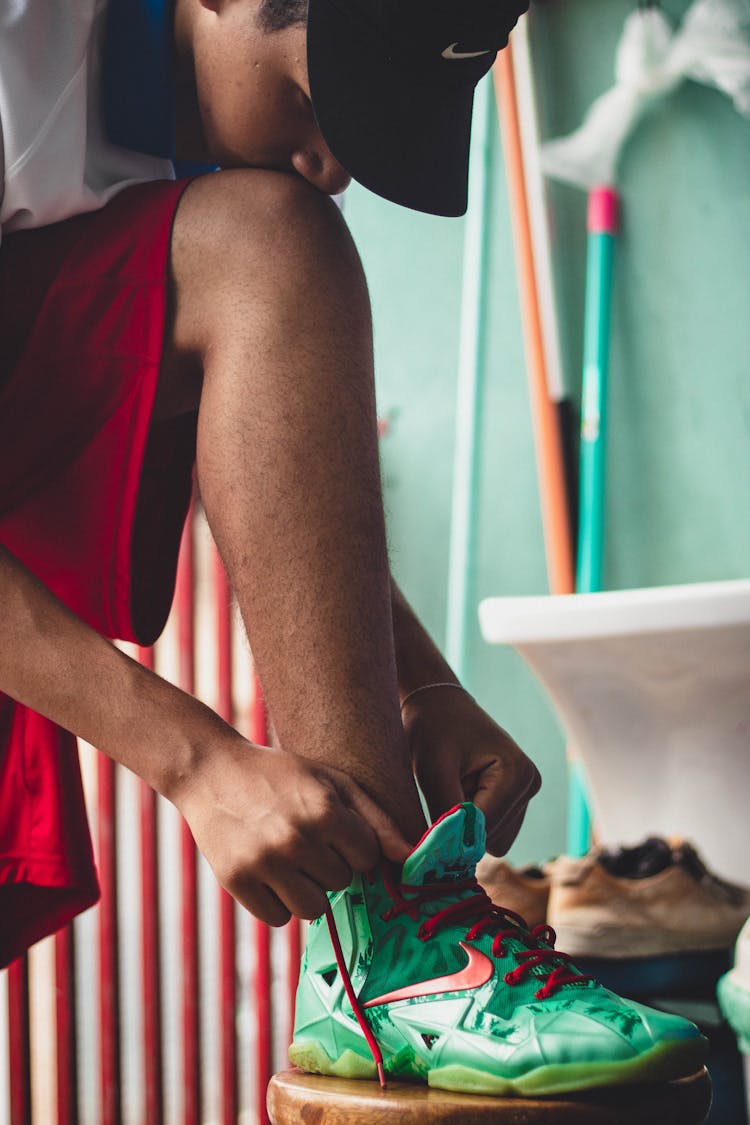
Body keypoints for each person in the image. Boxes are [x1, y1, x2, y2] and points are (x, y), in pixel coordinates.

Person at [0, 0, 707, 1096]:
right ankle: (393, 958)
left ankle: (394, 949)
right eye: (322, 109)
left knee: (271, 242)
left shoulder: (178, 113)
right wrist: (196, 761)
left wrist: (415, 680)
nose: (332, 165)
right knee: (275, 237)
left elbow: (244, 457)